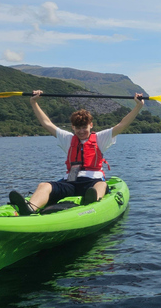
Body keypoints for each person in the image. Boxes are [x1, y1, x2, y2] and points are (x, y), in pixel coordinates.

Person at [8, 90, 145, 215]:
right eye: (77, 128)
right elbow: (47, 123)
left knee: (102, 185)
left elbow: (121, 125)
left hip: (92, 182)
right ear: (73, 127)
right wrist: (34, 102)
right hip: (70, 183)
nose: (81, 131)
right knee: (44, 185)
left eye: (84, 127)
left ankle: (92, 205)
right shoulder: (67, 139)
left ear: (91, 125)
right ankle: (30, 209)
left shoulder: (100, 138)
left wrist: (138, 106)